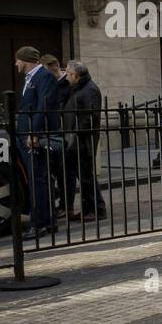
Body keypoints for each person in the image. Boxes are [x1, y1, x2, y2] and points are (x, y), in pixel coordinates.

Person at [13, 46, 59, 241]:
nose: (15, 64)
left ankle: (38, 224)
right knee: (39, 178)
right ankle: (48, 221)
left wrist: (34, 133)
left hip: (33, 136)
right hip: (26, 134)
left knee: (37, 179)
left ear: (25, 60)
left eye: (17, 60)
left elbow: (44, 106)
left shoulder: (44, 76)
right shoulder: (30, 77)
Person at [60, 60, 106, 223]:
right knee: (84, 176)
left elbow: (90, 117)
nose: (65, 77)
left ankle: (97, 210)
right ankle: (89, 209)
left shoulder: (89, 90)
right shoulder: (78, 88)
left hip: (83, 141)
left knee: (86, 177)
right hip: (77, 139)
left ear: (75, 75)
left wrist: (75, 132)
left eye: (67, 74)